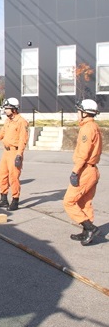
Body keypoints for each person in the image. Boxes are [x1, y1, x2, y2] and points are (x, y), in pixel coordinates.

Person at [63, 99, 102, 246]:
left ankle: (90, 228)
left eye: (79, 111)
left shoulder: (87, 128)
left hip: (85, 169)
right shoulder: (94, 126)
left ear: (85, 113)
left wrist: (75, 171)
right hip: (92, 169)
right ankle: (87, 232)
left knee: (69, 201)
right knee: (85, 202)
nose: (77, 113)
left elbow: (84, 153)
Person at [0, 97, 29, 211]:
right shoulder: (8, 121)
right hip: (6, 152)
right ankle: (3, 199)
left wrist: (19, 155)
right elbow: (1, 134)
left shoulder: (21, 122)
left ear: (14, 109)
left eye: (7, 108)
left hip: (14, 152)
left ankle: (15, 200)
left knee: (14, 178)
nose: (5, 110)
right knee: (1, 176)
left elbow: (23, 140)